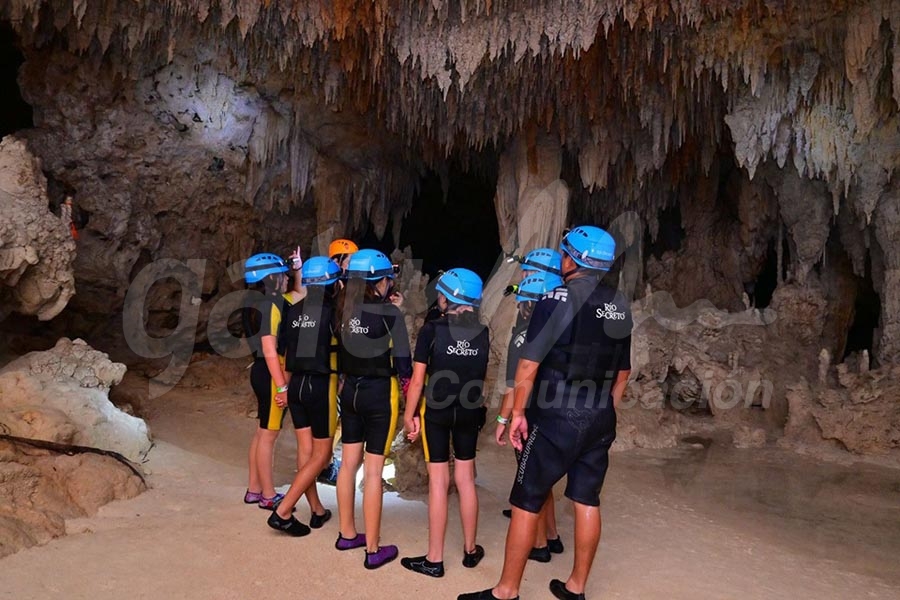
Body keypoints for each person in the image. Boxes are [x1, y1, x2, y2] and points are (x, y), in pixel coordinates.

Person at [458, 226, 633, 600]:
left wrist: (517, 413)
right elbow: (624, 372)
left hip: (555, 414)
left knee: (526, 499)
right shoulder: (619, 304)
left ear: (572, 259)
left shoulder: (554, 298)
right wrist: (607, 408)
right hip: (599, 414)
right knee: (587, 499)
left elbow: (527, 366)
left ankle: (506, 591)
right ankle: (576, 587)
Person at [401, 268, 490, 578]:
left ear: (448, 297)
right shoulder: (483, 332)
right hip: (468, 411)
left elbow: (416, 381)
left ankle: (434, 559)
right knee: (465, 479)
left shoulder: (431, 331)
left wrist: (409, 414)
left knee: (438, 481)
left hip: (436, 412)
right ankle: (470, 550)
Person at [334, 249, 412, 569]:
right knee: (375, 472)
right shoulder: (389, 313)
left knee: (349, 464)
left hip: (349, 391)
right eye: (387, 278)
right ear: (379, 280)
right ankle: (372, 549)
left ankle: (346, 533)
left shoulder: (342, 307)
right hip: (379, 394)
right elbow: (404, 363)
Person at [267, 257, 343, 536]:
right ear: (331, 285)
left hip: (296, 385)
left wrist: (284, 388)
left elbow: (285, 351)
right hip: (318, 385)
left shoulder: (293, 309)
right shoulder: (332, 312)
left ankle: (317, 510)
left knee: (306, 452)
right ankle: (284, 510)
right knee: (321, 455)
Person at [495, 272, 565, 562]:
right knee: (545, 478)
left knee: (530, 481)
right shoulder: (561, 328)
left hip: (531, 415)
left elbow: (515, 384)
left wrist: (503, 419)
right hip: (555, 412)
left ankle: (538, 545)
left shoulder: (523, 335)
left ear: (526, 306)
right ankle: (552, 535)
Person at [241, 253, 292, 510]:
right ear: (270, 278)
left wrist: (299, 269)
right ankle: (269, 495)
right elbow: (270, 349)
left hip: (259, 370)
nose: (286, 279)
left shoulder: (251, 303)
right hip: (272, 373)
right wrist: (283, 385)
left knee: (261, 432)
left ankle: (254, 488)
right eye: (282, 274)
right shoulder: (270, 305)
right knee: (269, 436)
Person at [317, 238, 360, 486]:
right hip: (332, 361)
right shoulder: (335, 290)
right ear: (337, 261)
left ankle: (326, 461)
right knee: (332, 413)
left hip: (338, 361)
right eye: (350, 260)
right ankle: (324, 464)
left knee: (336, 414)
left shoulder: (342, 288)